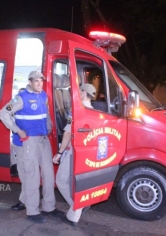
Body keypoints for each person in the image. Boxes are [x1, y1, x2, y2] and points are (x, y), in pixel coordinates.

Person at [0, 71, 63, 224]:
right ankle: (32, 210)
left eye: (41, 80)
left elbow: (46, 114)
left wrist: (49, 126)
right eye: (36, 81)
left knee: (48, 174)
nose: (40, 83)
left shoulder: (43, 96)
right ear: (30, 82)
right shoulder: (21, 98)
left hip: (43, 139)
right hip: (29, 142)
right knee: (32, 176)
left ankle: (49, 207)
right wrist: (17, 130)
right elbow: (3, 113)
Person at [52, 83, 96, 226]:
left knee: (61, 180)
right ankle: (78, 206)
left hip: (73, 151)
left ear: (83, 93)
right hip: (87, 153)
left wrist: (59, 152)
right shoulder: (94, 111)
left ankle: (76, 210)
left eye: (79, 91)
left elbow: (67, 133)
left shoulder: (77, 110)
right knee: (76, 183)